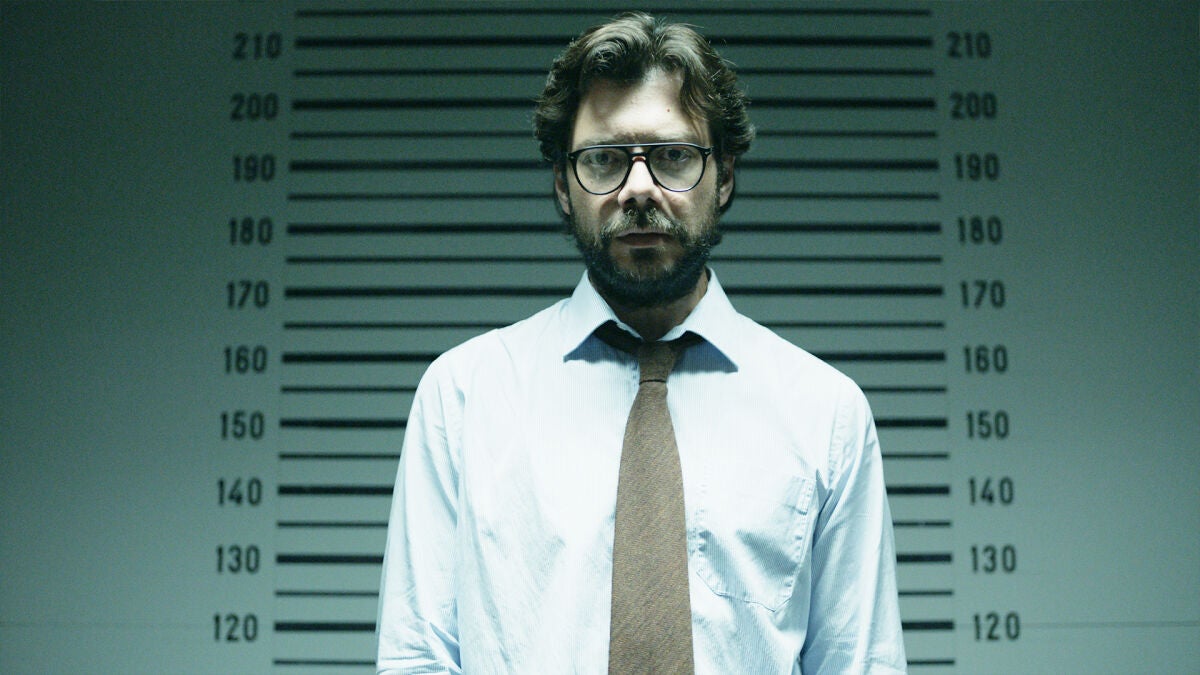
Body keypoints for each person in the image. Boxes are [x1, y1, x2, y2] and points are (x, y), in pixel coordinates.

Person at [376, 11, 906, 675]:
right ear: (562, 184)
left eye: (673, 156)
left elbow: (860, 663)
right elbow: (417, 658)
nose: (638, 189)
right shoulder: (464, 397)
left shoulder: (825, 413)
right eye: (603, 159)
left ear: (726, 175)